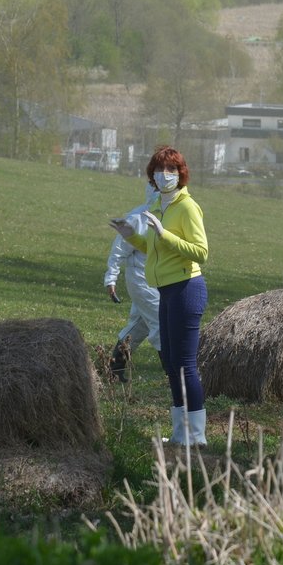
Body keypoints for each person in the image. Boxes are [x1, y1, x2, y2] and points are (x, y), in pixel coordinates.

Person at [110, 146, 209, 446]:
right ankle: (181, 434)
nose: (164, 175)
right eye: (159, 170)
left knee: (185, 365)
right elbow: (156, 250)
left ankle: (197, 436)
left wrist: (165, 234)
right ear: (151, 176)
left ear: (181, 175)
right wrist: (132, 236)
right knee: (171, 363)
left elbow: (201, 252)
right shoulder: (161, 208)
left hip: (185, 289)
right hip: (166, 291)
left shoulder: (187, 207)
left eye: (171, 170)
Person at [102, 183, 162, 382]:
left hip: (161, 278)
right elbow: (118, 250)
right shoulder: (137, 217)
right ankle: (174, 374)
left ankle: (113, 368)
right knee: (162, 323)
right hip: (141, 279)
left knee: (140, 325)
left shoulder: (171, 215)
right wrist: (111, 278)